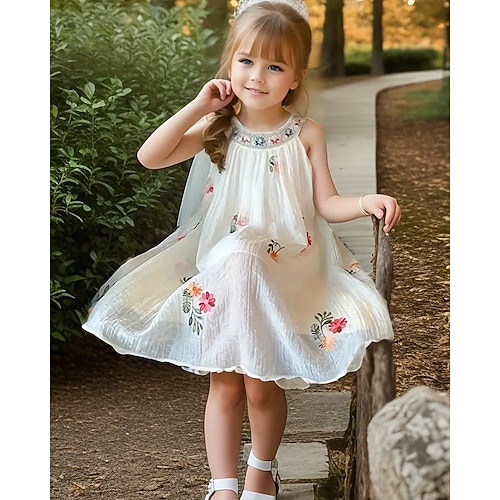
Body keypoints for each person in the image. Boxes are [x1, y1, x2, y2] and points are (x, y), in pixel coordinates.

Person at [82, 0, 401, 498]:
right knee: (225, 382)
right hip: (224, 270)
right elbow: (150, 157)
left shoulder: (305, 134)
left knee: (260, 383)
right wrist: (199, 106)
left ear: (295, 77)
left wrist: (365, 202)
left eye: (274, 66)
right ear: (230, 64)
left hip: (285, 267)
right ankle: (223, 484)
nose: (257, 76)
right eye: (247, 61)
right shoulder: (220, 128)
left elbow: (326, 202)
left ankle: (261, 470)